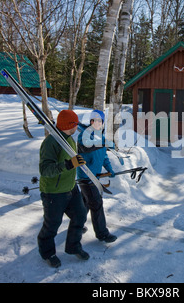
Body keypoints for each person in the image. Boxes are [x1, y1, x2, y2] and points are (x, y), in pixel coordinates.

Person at [37, 109, 89, 268]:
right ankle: (48, 253)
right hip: (53, 192)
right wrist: (68, 164)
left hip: (70, 188)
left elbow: (72, 157)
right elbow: (45, 170)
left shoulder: (69, 138)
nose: (77, 126)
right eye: (75, 124)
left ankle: (73, 246)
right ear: (70, 125)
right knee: (52, 225)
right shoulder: (51, 143)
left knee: (80, 215)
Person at [77, 110, 117, 243]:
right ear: (90, 122)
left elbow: (104, 155)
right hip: (85, 176)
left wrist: (109, 169)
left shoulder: (101, 137)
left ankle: (77, 225)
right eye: (94, 120)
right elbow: (87, 148)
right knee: (96, 203)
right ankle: (102, 234)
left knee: (86, 203)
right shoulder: (83, 136)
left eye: (100, 121)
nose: (97, 123)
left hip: (95, 176)